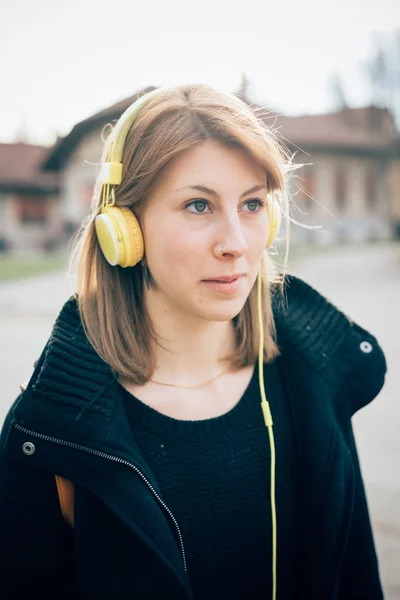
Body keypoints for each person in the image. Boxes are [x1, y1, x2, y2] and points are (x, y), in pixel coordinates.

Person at [0, 84, 387, 600]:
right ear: (124, 229)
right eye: (199, 205)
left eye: (252, 204)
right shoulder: (47, 435)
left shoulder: (316, 378)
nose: (235, 243)